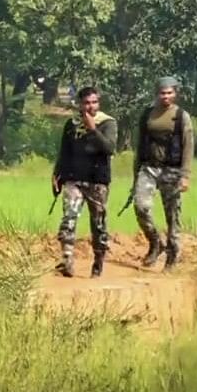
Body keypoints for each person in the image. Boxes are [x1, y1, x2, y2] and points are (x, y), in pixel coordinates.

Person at [52, 86, 117, 278]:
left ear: (99, 103)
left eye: (94, 102)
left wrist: (92, 129)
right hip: (74, 179)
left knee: (98, 225)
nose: (90, 106)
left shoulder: (107, 123)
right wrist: (57, 174)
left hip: (98, 181)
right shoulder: (71, 124)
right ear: (80, 104)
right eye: (87, 103)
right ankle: (67, 260)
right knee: (69, 218)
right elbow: (64, 152)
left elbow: (109, 148)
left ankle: (98, 263)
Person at [132, 76, 194, 271]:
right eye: (162, 93)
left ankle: (173, 255)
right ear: (156, 93)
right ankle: (155, 242)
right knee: (140, 206)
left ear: (175, 94)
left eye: (169, 93)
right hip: (149, 167)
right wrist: (136, 173)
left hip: (172, 169)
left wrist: (185, 175)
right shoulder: (148, 114)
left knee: (172, 215)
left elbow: (188, 146)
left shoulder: (181, 116)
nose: (165, 96)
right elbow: (140, 144)